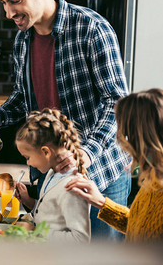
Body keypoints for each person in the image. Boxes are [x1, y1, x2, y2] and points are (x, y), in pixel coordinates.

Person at [0, 0, 131, 240]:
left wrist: (85, 154)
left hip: (100, 171)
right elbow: (21, 98)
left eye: (15, 1)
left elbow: (116, 102)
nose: (9, 13)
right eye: (4, 3)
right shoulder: (23, 40)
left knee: (103, 257)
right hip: (51, 172)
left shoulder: (92, 28)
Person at [66, 88, 163, 242]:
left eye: (126, 134)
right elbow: (139, 227)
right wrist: (101, 202)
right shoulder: (152, 179)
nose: (123, 143)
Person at [14, 108, 90, 242]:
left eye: (27, 157)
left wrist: (34, 231)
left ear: (46, 152)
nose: (28, 163)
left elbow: (80, 239)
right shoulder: (52, 172)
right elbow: (52, 215)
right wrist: (28, 201)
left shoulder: (73, 187)